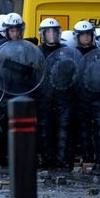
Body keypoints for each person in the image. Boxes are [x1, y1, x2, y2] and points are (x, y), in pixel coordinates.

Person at [36, 18, 72, 168]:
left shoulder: (66, 51)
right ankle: (46, 159)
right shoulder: (37, 51)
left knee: (63, 127)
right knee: (44, 127)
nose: (51, 35)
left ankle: (62, 159)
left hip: (63, 95)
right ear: (42, 34)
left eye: (54, 32)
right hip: (44, 95)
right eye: (48, 32)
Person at [73, 20, 100, 165]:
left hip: (99, 96)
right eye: (82, 35)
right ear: (77, 37)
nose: (86, 38)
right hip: (81, 97)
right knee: (84, 128)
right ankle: (87, 157)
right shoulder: (73, 53)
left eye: (88, 34)